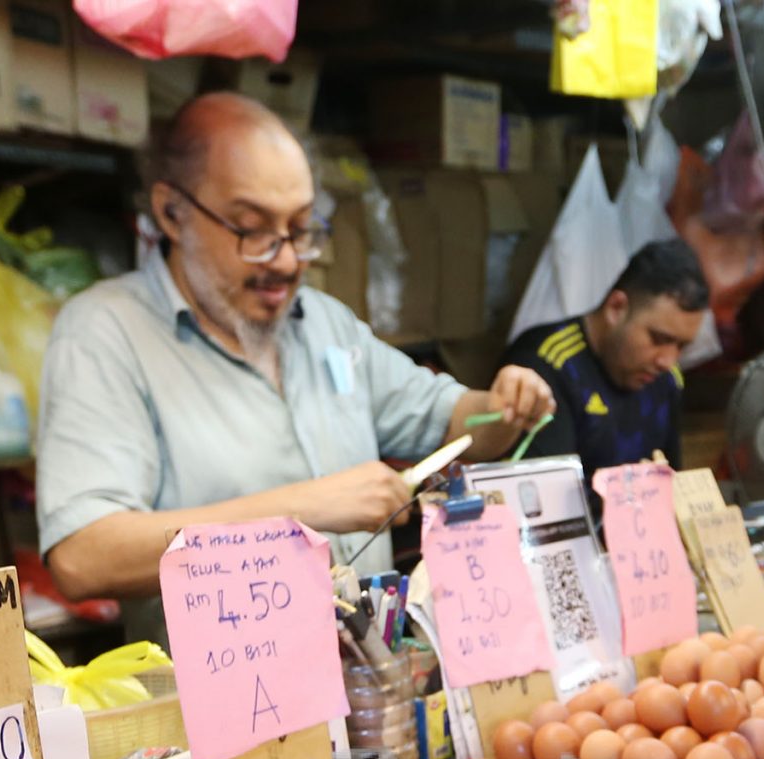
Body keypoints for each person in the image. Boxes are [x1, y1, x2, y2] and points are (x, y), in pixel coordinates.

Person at [38, 93, 555, 639]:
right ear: (172, 212)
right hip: (225, 707)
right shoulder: (106, 333)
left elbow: (455, 422)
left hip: (368, 686)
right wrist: (305, 508)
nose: (285, 260)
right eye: (253, 230)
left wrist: (501, 407)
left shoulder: (325, 325)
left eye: (301, 229)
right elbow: (81, 557)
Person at [501, 238, 709, 488]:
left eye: (682, 346)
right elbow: (546, 501)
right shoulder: (547, 363)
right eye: (659, 339)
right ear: (616, 308)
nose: (668, 361)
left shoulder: (668, 379)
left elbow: (671, 483)